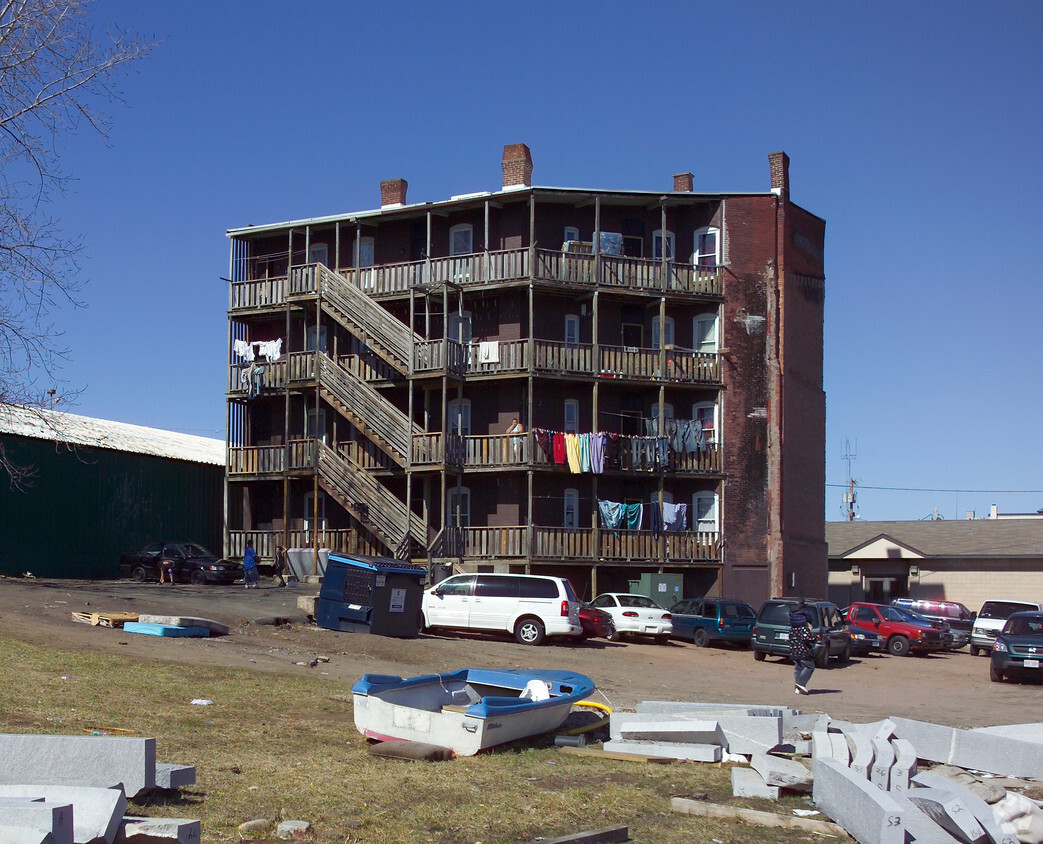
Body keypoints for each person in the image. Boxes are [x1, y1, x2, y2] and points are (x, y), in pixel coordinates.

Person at [788, 597, 816, 695]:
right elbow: (807, 638)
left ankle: (797, 687)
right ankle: (800, 683)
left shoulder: (792, 629)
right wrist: (814, 638)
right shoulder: (803, 628)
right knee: (810, 666)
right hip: (803, 650)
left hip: (794, 650)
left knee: (798, 667)